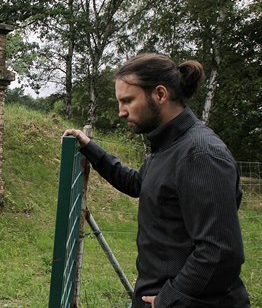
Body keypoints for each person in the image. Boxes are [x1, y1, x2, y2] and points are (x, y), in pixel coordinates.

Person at [63, 53, 250, 308]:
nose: (121, 112)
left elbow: (219, 251)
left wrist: (169, 299)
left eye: (127, 100)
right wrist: (91, 149)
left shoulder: (201, 154)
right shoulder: (168, 147)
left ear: (160, 94)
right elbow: (139, 184)